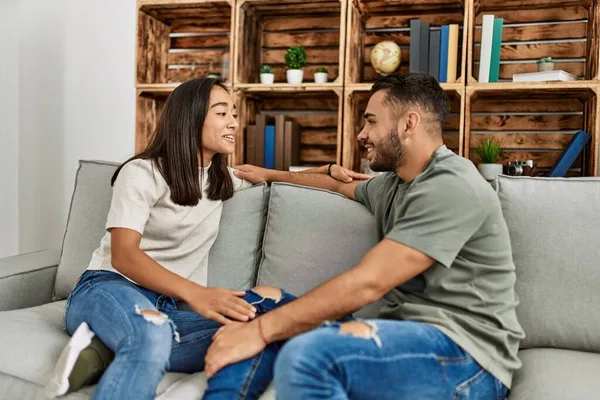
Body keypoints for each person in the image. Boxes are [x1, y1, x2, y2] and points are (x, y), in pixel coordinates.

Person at [204, 72, 526, 399]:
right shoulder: (395, 184)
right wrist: (270, 174)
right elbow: (339, 185)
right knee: (265, 303)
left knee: (307, 356)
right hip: (408, 336)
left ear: (408, 124)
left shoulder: (451, 185)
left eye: (371, 122)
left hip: (467, 357)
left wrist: (260, 333)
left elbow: (369, 281)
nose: (362, 134)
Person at [44, 77, 368, 400]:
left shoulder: (221, 180)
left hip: (163, 308)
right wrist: (198, 294)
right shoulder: (142, 173)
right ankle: (113, 340)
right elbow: (123, 256)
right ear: (191, 117)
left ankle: (104, 348)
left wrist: (330, 173)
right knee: (152, 331)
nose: (234, 122)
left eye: (235, 113)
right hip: (106, 288)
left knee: (255, 332)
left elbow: (279, 178)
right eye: (222, 113)